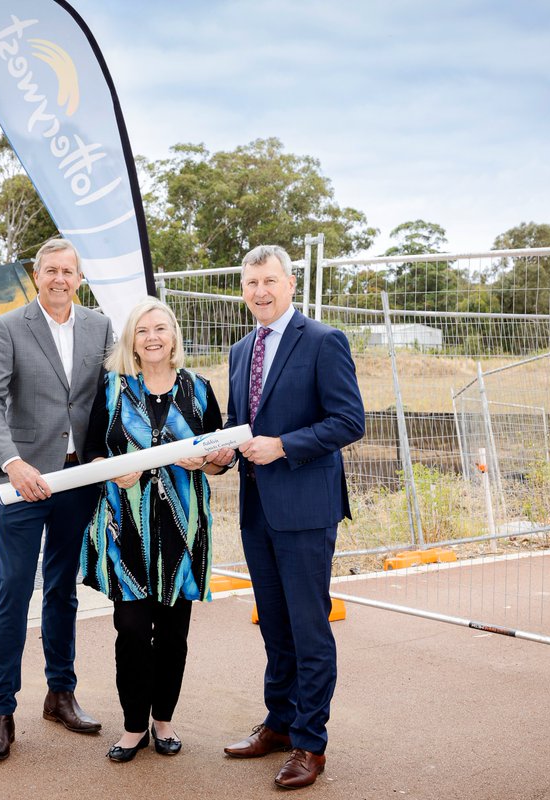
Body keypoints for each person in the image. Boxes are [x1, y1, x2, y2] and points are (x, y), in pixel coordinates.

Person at [221, 244, 365, 789]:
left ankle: (310, 743)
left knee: (308, 628)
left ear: (291, 283)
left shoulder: (325, 341)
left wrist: (283, 445)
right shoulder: (240, 351)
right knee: (275, 626)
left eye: (270, 281)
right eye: (251, 282)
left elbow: (350, 421)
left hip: (305, 508)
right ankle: (279, 723)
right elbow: (241, 427)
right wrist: (220, 455)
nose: (260, 291)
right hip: (257, 509)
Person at [0, 238, 115, 761]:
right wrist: (12, 462)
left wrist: (110, 459)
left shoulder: (100, 327)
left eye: (69, 272)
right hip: (22, 481)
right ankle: (0, 711)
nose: (60, 279)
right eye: (51, 270)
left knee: (62, 589)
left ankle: (60, 694)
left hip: (77, 482)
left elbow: (111, 397)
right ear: (37, 275)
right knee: (12, 591)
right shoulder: (10, 327)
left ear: (80, 278)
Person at [80, 297, 235, 762]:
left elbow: (221, 456)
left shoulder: (199, 389)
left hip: (182, 532)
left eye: (160, 328)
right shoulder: (110, 389)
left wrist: (209, 459)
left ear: (173, 336)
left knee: (173, 632)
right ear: (131, 338)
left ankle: (163, 720)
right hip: (124, 526)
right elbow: (91, 452)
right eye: (143, 329)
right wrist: (109, 469)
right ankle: (133, 727)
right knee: (130, 628)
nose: (152, 337)